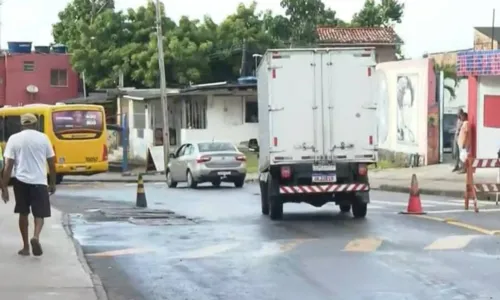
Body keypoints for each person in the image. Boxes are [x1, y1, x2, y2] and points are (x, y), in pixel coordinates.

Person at [1, 113, 56, 256]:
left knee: (23, 213)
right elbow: (51, 162)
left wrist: (4, 187)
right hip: (39, 182)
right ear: (36, 124)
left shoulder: (14, 139)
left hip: (21, 182)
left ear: (22, 124)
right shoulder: (43, 138)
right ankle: (36, 236)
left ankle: (26, 247)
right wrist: (52, 183)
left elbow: (8, 165)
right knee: (40, 214)